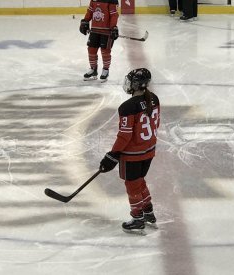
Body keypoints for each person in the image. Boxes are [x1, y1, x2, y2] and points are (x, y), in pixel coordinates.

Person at [99, 68, 161, 234]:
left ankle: (137, 218)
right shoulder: (154, 99)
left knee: (132, 185)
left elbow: (125, 136)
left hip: (133, 155)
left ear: (135, 84)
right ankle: (148, 213)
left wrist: (112, 155)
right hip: (149, 151)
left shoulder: (127, 107)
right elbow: (156, 124)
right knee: (139, 181)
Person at [79, 0, 119, 82]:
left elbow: (114, 15)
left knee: (105, 51)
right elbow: (90, 11)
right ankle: (93, 69)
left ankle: (105, 70)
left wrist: (113, 27)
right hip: (94, 30)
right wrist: (85, 20)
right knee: (91, 49)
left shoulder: (111, 1)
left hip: (107, 31)